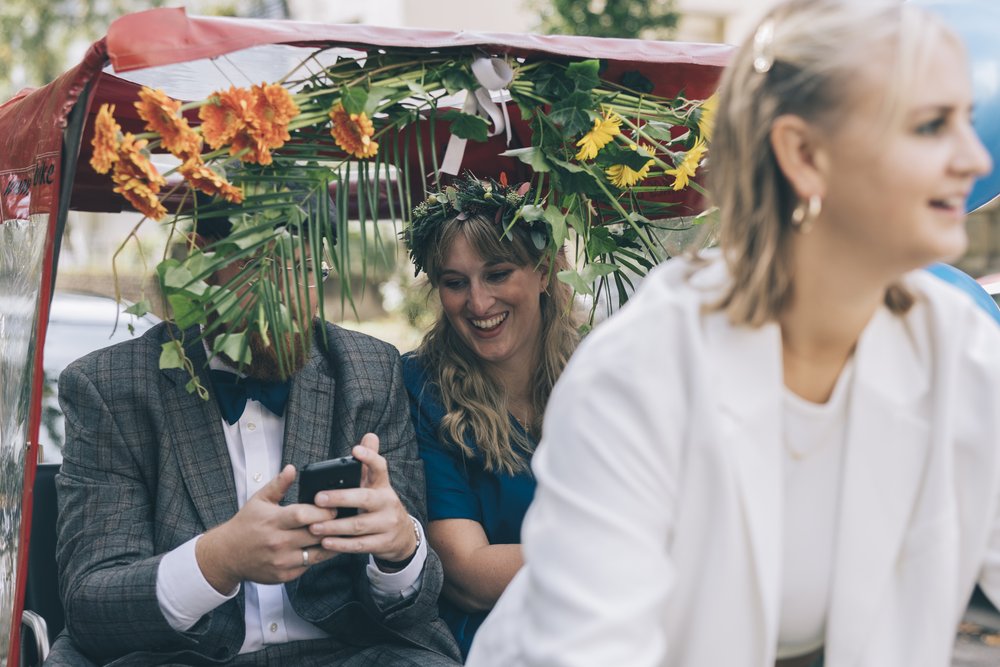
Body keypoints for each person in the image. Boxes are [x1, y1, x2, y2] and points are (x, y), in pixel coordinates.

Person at [466, 1, 1000, 666]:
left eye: (966, 122)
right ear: (804, 154)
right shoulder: (641, 373)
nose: (973, 157)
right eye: (930, 126)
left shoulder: (961, 350)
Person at [49, 204, 462, 666]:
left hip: (348, 653)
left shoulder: (370, 370)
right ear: (201, 261)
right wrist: (217, 561)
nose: (287, 301)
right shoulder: (110, 387)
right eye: (260, 270)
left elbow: (414, 605)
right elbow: (92, 603)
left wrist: (398, 551)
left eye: (306, 270)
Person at [399, 175, 578, 658]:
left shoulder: (599, 372)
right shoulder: (420, 390)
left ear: (544, 271)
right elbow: (467, 571)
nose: (478, 303)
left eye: (497, 274)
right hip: (497, 638)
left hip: (611, 616)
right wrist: (619, 556)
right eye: (455, 283)